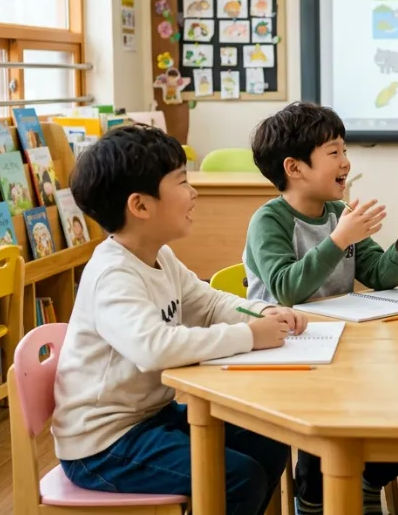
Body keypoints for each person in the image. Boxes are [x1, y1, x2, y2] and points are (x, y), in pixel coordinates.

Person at [52, 124, 301, 515]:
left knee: (268, 438)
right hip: (104, 444)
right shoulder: (113, 275)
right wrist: (249, 336)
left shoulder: (159, 255)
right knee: (239, 477)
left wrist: (262, 312)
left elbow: (208, 301)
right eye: (182, 181)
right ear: (140, 206)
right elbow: (154, 348)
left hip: (152, 417)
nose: (194, 192)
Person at [245, 101, 398, 514]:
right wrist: (338, 240)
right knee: (319, 415)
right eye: (334, 152)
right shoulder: (269, 221)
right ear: (294, 167)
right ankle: (314, 498)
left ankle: (367, 483)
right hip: (285, 351)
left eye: (344, 150)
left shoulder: (340, 213)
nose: (346, 161)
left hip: (343, 346)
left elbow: (378, 273)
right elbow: (287, 289)